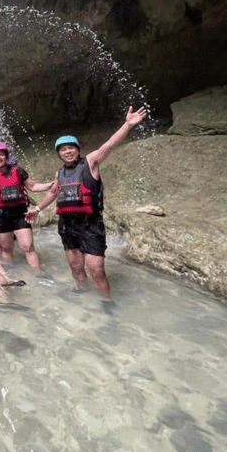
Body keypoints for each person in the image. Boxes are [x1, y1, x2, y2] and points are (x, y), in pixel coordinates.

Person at [26, 106, 148, 310]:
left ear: (78, 149)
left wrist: (127, 124)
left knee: (96, 269)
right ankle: (82, 290)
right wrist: (37, 209)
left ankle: (106, 303)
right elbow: (53, 192)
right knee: (75, 267)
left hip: (90, 225)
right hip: (67, 225)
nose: (67, 151)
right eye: (63, 149)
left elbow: (109, 145)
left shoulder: (90, 162)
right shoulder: (60, 173)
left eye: (71, 147)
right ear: (59, 154)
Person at [0, 142, 53, 266]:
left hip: (20, 214)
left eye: (1, 155)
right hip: (1, 216)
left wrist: (49, 185)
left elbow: (33, 186)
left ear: (6, 157)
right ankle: (11, 276)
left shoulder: (18, 170)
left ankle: (38, 277)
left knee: (28, 247)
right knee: (7, 250)